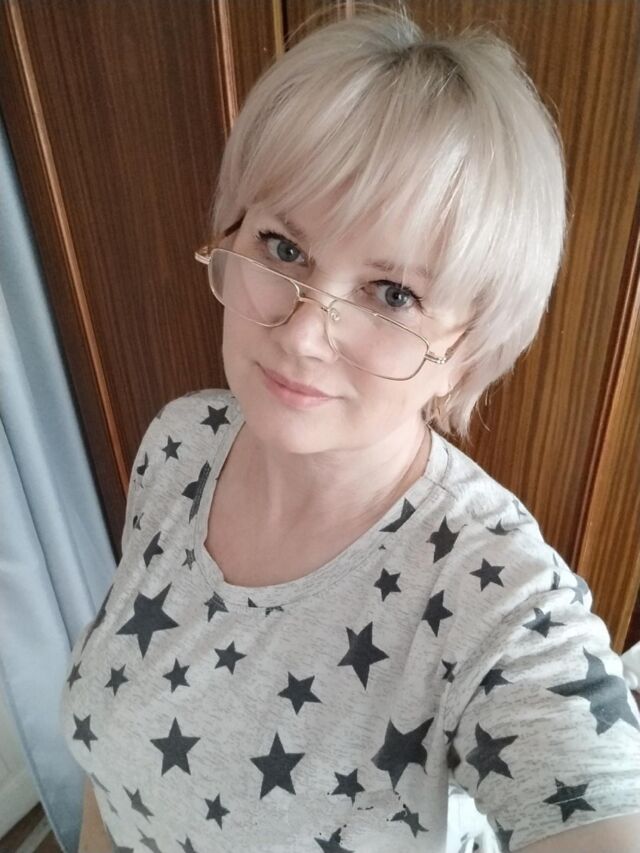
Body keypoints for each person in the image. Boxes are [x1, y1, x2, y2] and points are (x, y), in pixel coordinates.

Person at [59, 4, 640, 851]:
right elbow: (114, 759)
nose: (302, 334)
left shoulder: (495, 601)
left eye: (393, 293)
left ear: (468, 349)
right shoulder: (179, 444)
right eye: (283, 248)